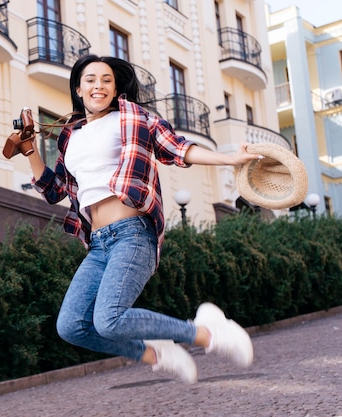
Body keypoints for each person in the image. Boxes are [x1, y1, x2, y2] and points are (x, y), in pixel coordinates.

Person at [22, 55, 258, 384]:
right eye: (90, 79)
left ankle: (206, 333)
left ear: (116, 87)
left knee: (109, 320)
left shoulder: (134, 117)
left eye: (106, 79)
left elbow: (178, 149)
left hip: (132, 235)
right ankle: (156, 353)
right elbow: (54, 190)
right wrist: (30, 149)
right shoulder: (69, 137)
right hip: (98, 244)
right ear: (78, 88)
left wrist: (230, 159)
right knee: (71, 326)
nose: (98, 85)